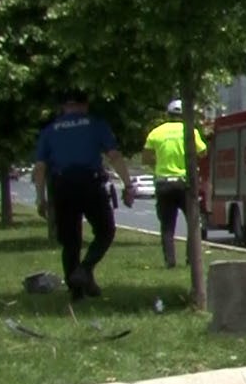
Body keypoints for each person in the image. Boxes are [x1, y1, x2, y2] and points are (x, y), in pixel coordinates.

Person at [32, 89, 135, 300]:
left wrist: (40, 197)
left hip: (62, 186)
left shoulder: (50, 130)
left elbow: (40, 167)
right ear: (85, 105)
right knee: (105, 230)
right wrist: (127, 185)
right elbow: (114, 155)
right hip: (90, 183)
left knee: (70, 241)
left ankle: (76, 292)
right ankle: (85, 269)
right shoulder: (96, 124)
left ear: (62, 107)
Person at [142, 99, 209, 268]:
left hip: (164, 183)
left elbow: (146, 158)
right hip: (184, 183)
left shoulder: (156, 133)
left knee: (167, 226)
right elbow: (203, 153)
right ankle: (191, 259)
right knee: (193, 223)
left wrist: (157, 167)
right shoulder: (190, 131)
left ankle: (170, 262)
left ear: (168, 115)